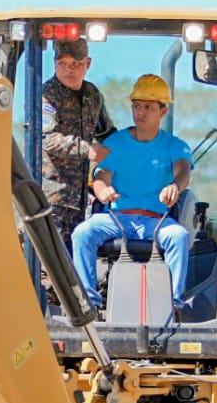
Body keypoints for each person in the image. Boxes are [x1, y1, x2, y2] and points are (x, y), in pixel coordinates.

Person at [71, 73, 192, 312]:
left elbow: (183, 171)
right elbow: (100, 176)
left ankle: (174, 304)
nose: (140, 112)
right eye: (136, 106)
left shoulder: (174, 146)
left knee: (179, 237)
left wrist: (175, 186)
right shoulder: (116, 143)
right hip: (117, 218)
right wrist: (103, 190)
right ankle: (89, 304)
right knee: (83, 233)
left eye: (148, 107)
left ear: (163, 111)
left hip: (155, 222)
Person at [40, 38, 115, 248]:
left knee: (73, 262)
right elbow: (45, 138)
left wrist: (136, 146)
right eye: (62, 63)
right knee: (52, 262)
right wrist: (86, 149)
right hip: (51, 196)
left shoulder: (92, 95)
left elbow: (107, 133)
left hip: (81, 198)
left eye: (76, 64)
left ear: (88, 63)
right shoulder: (48, 95)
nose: (68, 70)